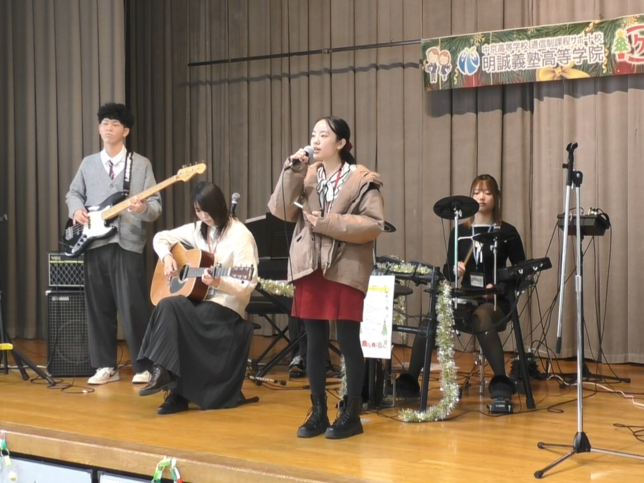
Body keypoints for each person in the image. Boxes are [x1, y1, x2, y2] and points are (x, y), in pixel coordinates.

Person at [268, 116, 385, 439]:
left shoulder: (362, 180)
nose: (315, 141)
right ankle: (318, 411)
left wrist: (328, 223)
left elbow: (374, 224)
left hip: (345, 264)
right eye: (313, 135)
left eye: (324, 135)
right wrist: (292, 169)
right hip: (310, 265)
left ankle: (351, 413)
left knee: (348, 340)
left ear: (342, 143)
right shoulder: (306, 174)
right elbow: (280, 209)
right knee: (314, 341)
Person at [398, 174, 525, 402]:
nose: (481, 197)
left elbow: (520, 272)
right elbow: (448, 271)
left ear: (496, 197)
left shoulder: (507, 232)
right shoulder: (460, 232)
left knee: (482, 317)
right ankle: (410, 381)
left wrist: (498, 284)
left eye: (487, 192)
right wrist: (455, 270)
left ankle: (500, 381)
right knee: (429, 321)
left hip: (495, 301)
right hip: (465, 299)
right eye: (476, 192)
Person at [137, 182, 259, 415]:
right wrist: (167, 258)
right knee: (167, 304)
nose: (204, 216)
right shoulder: (197, 229)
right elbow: (160, 237)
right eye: (198, 211)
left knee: (179, 316)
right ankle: (164, 375)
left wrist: (219, 282)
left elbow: (247, 284)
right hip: (200, 301)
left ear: (220, 206)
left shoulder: (241, 236)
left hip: (225, 307)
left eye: (207, 211)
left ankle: (175, 389)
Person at [66, 102, 161, 385]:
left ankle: (144, 366)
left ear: (126, 131)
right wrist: (76, 210)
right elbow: (73, 193)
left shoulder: (141, 164)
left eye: (115, 124)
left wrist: (142, 208)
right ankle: (105, 366)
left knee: (133, 308)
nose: (108, 128)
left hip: (127, 244)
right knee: (99, 308)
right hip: (93, 245)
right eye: (104, 123)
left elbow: (156, 208)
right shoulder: (88, 164)